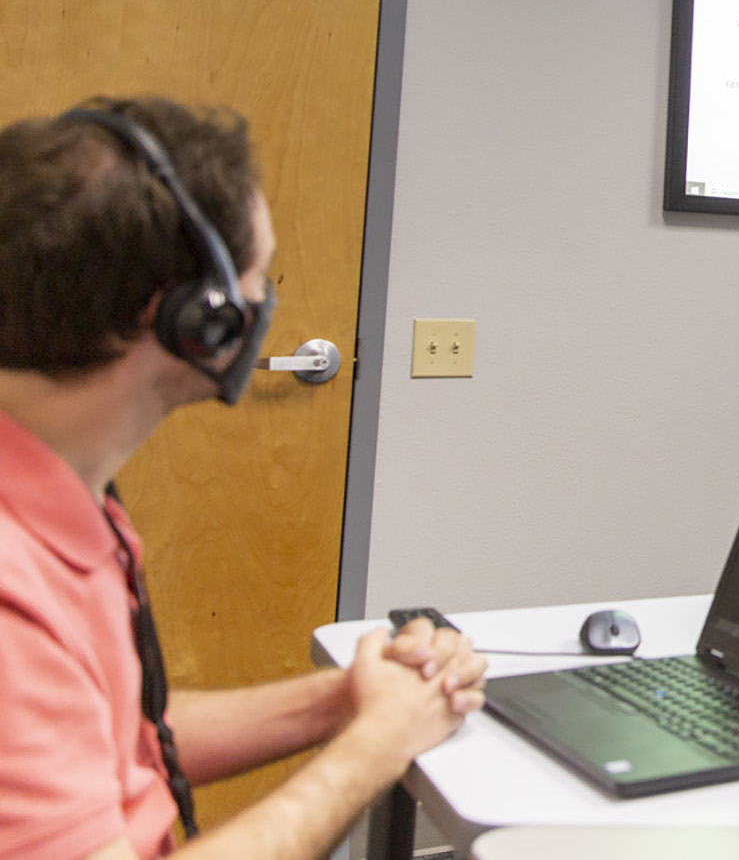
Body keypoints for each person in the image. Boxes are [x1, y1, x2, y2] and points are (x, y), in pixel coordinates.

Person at [0, 97, 487, 860]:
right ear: (195, 320)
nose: (267, 302)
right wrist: (376, 748)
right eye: (257, 277)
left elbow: (112, 735)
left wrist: (348, 698)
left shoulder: (55, 485)